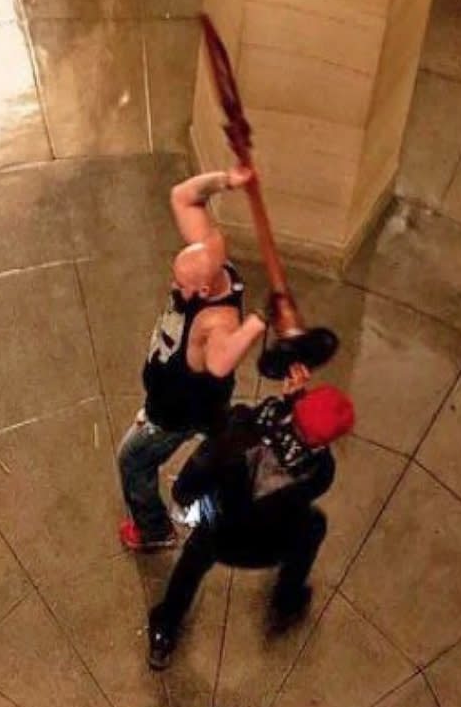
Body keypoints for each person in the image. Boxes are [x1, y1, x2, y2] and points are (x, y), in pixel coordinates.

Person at [146, 365, 355, 669]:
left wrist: (186, 499)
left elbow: (205, 465)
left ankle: (165, 629)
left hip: (216, 530)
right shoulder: (320, 472)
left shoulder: (242, 424)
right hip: (266, 543)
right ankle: (287, 599)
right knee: (314, 526)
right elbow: (295, 452)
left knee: (191, 564)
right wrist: (295, 403)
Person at [118, 166, 272, 552]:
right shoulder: (211, 255)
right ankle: (225, 465)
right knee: (214, 426)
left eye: (181, 285)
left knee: (132, 460)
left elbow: (221, 364)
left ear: (204, 288)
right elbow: (183, 196)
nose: (174, 287)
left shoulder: (218, 322)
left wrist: (257, 321)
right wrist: (225, 181)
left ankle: (153, 531)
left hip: (174, 412)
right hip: (193, 400)